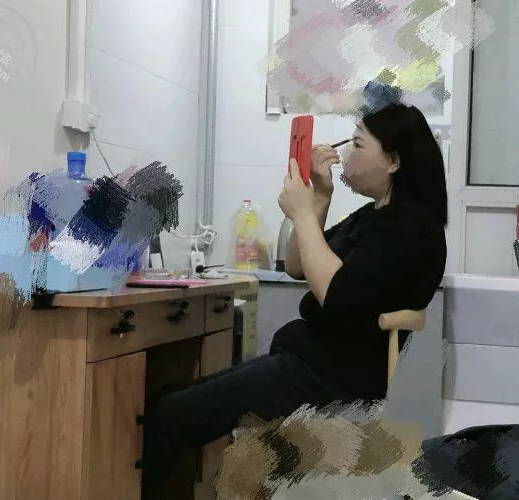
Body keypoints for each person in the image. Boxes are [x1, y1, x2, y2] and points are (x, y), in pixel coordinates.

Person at [141, 102, 448, 497]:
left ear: (393, 160)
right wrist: (319, 198)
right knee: (169, 402)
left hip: (332, 379)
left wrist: (302, 215)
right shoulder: (371, 216)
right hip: (304, 365)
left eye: (357, 144)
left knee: (170, 417)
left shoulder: (411, 227)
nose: (344, 154)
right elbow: (298, 266)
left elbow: (336, 295)